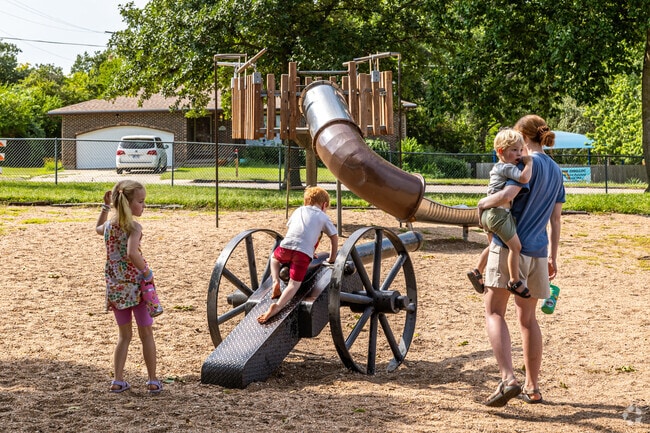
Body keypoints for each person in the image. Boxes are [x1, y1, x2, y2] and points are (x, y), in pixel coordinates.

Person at [477, 115, 564, 407]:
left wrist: (482, 205)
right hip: (539, 252)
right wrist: (553, 256)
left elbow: (510, 193)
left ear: (521, 136)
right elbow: (556, 217)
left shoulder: (526, 164)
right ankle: (533, 386)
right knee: (528, 320)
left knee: (494, 312)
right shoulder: (555, 169)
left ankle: (508, 378)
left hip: (510, 247)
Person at [95, 180, 163, 394]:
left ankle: (118, 380)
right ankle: (152, 380)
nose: (144, 206)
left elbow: (97, 228)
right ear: (129, 203)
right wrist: (147, 272)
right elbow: (132, 253)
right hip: (136, 288)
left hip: (116, 287)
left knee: (124, 336)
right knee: (146, 333)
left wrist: (104, 208)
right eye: (141, 202)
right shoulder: (134, 227)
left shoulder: (109, 226)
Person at [258, 186, 338, 324]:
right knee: (293, 285)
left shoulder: (298, 210)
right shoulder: (323, 217)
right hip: (302, 254)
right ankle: (277, 307)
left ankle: (275, 280)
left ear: (306, 202)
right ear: (324, 205)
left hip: (286, 247)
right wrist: (332, 258)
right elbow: (334, 237)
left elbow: (297, 231)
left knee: (274, 258)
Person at [467, 128, 533, 295]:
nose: (519, 154)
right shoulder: (507, 167)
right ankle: (514, 280)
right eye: (514, 150)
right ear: (501, 152)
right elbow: (524, 178)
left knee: (494, 245)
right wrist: (529, 163)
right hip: (499, 214)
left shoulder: (497, 167)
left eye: (520, 150)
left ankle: (477, 271)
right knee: (516, 248)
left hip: (489, 214)